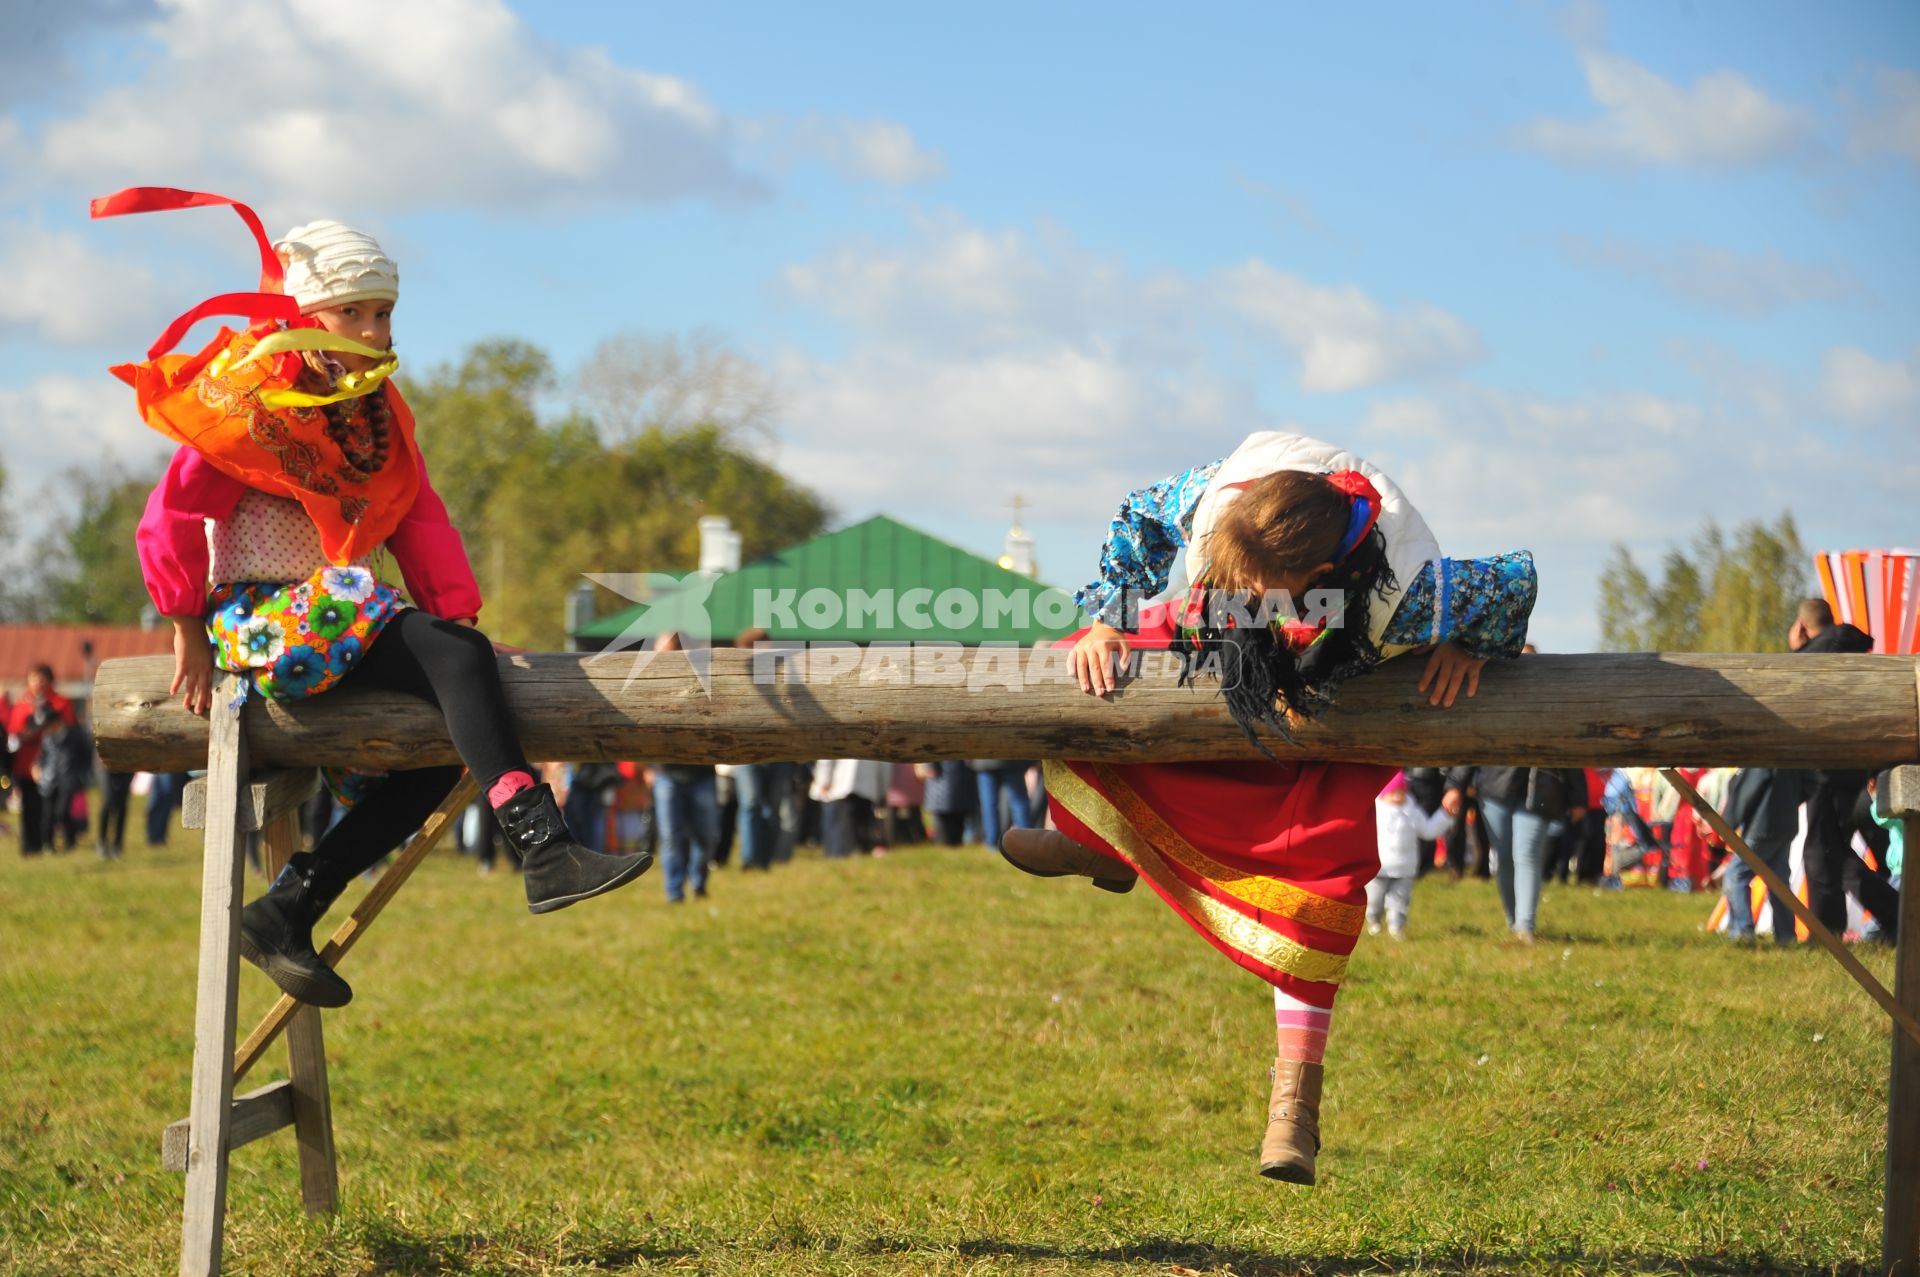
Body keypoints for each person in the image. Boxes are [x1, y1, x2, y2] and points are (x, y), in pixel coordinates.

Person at [102, 187, 650, 1008]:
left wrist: (456, 626)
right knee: (454, 659)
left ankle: (288, 907)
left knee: (440, 752)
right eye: (354, 312)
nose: (374, 332)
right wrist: (184, 626)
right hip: (255, 616)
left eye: (384, 314)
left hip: (329, 613)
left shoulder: (377, 414)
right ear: (307, 313)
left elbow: (419, 515)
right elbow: (172, 512)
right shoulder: (248, 395)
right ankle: (545, 852)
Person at [996, 430, 1536, 1184]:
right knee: (1087, 665)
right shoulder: (1223, 506)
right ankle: (1104, 840)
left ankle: (1293, 1114)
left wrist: (1474, 642)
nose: (1236, 596)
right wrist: (1109, 616)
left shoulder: (1414, 594)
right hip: (1261, 651)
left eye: (1255, 590)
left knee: (1319, 872)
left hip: (1355, 679)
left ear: (1316, 575)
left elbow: (1515, 582)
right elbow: (1141, 515)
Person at [1788, 597, 1898, 940]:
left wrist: (1796, 651)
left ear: (1803, 627)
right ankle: (1896, 916)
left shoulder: (1810, 659)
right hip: (1861, 770)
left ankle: (1828, 934)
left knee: (1822, 855)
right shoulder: (1855, 649)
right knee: (1838, 853)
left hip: (1826, 772)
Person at [1443, 765, 1585, 943]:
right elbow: (1475, 741)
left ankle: (1525, 927)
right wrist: (1455, 785)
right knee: (1505, 858)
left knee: (1527, 855)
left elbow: (1567, 745)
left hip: (1542, 786)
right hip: (1495, 788)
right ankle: (1514, 923)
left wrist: (1579, 796)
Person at [1720, 764, 1809, 945]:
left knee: (1735, 876)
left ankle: (1742, 933)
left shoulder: (1764, 753)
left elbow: (1749, 789)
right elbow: (1808, 784)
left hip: (1762, 826)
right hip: (1785, 823)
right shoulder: (1791, 751)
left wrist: (1728, 822)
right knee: (1779, 882)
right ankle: (1786, 937)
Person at [1368, 771, 1452, 938]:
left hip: (1404, 867)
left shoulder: (1412, 811)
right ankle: (1373, 919)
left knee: (1400, 901)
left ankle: (1396, 927)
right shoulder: (1375, 811)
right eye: (1394, 792)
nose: (1398, 797)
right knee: (1374, 901)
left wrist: (1445, 816)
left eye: (1402, 792)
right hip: (1379, 869)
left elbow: (1428, 830)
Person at [7, 664, 75, 855]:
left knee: (51, 808)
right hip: (26, 765)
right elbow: (14, 732)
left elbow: (68, 729)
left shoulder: (60, 703)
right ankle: (29, 844)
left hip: (53, 765)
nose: (38, 683)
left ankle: (48, 842)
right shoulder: (22, 704)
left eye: (41, 678)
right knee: (29, 806)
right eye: (34, 678)